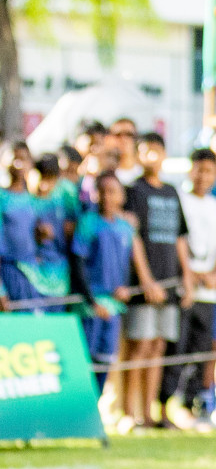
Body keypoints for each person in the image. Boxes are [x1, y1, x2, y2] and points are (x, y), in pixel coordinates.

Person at [123, 132, 190, 429]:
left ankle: (150, 412)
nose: (152, 157)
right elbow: (133, 238)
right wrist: (146, 280)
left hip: (171, 281)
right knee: (140, 346)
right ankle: (130, 413)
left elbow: (179, 238)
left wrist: (187, 277)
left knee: (159, 347)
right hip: (143, 286)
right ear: (138, 156)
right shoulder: (133, 191)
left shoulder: (172, 192)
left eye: (157, 150)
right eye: (146, 151)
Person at [172, 148, 216, 426]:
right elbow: (176, 242)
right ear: (190, 170)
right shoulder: (178, 201)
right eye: (199, 169)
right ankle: (169, 403)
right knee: (178, 347)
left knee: (203, 348)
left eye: (209, 171)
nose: (203, 176)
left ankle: (192, 404)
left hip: (209, 292)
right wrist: (189, 273)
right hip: (183, 290)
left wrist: (215, 276)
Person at [71, 173, 139, 393]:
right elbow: (78, 264)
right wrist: (91, 302)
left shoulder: (125, 228)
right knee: (86, 360)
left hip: (113, 307)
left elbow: (125, 265)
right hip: (92, 306)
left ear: (121, 196)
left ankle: (95, 409)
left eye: (113, 191)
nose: (107, 197)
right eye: (103, 191)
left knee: (105, 360)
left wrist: (125, 288)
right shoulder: (88, 223)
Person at [29, 153, 77, 309]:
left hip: (59, 273)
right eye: (41, 177)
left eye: (50, 178)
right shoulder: (26, 198)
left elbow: (75, 225)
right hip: (33, 272)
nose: (44, 184)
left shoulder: (66, 193)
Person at [0, 143, 43, 310]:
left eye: (23, 159)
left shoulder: (35, 200)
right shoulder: (2, 198)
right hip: (8, 272)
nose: (19, 163)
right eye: (14, 158)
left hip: (32, 275)